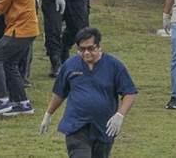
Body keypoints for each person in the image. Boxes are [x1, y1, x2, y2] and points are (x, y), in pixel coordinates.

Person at [40, 28, 138, 158]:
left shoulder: (114, 66)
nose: (86, 52)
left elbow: (129, 93)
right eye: (82, 49)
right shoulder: (70, 65)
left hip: (104, 127)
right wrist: (48, 114)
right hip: (76, 126)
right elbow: (59, 93)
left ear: (99, 46)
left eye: (90, 48)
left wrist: (120, 115)